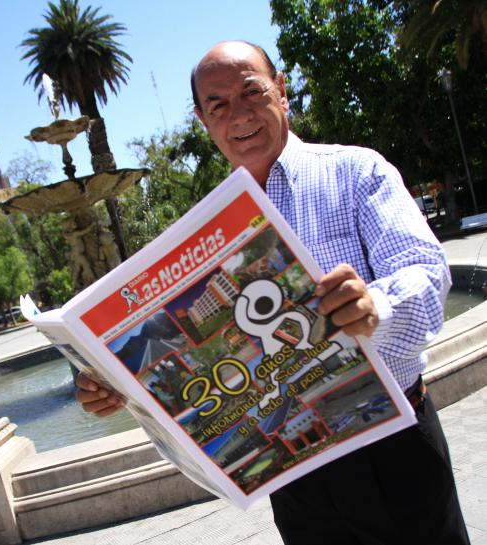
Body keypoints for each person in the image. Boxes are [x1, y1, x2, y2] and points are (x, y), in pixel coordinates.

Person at [76, 41, 469, 544]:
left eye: (251, 91)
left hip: (392, 451)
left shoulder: (355, 171)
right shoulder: (204, 230)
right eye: (218, 105)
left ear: (281, 91)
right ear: (203, 121)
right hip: (294, 478)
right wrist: (117, 384)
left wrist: (376, 307)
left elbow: (426, 273)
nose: (239, 114)